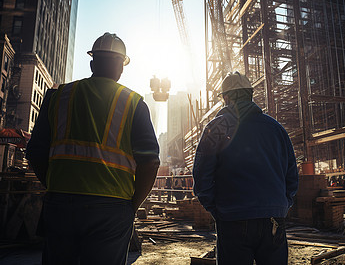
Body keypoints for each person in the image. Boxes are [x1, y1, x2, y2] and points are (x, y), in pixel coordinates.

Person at [26, 32, 160, 264]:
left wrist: (56, 185)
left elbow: (35, 152)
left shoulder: (58, 96)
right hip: (112, 208)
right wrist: (131, 206)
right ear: (121, 67)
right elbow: (151, 162)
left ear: (92, 63)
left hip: (60, 204)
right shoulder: (133, 102)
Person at [193, 71, 299, 265]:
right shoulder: (276, 129)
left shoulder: (216, 128)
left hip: (232, 218)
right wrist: (281, 205)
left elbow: (202, 178)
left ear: (225, 98)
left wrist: (217, 209)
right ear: (250, 95)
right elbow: (292, 176)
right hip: (273, 218)